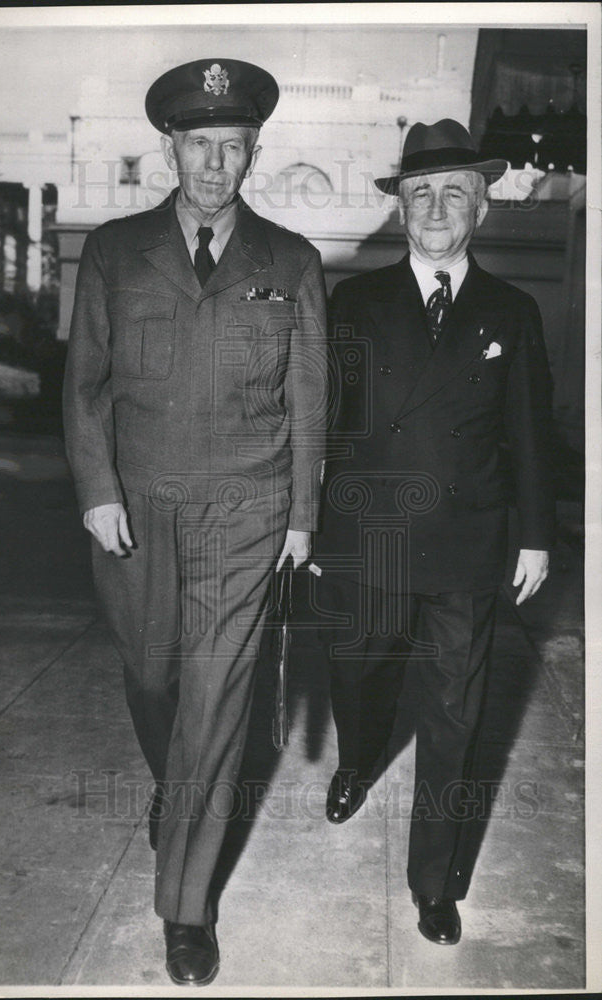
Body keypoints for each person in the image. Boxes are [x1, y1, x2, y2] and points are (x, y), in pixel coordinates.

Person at [63, 58, 327, 985]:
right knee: (154, 678)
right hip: (134, 509)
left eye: (233, 146)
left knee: (217, 704)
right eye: (199, 143)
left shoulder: (289, 260)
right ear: (170, 146)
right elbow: (84, 385)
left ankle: (186, 907)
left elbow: (309, 399)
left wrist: (299, 517)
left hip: (246, 510)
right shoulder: (113, 250)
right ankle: (176, 792)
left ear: (254, 151)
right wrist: (98, 490)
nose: (216, 163)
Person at [318, 119, 553, 946]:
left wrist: (534, 535)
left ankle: (433, 882)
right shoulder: (355, 298)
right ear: (401, 207)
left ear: (481, 206)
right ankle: (356, 757)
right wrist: (312, 528)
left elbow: (528, 431)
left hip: (467, 540)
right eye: (421, 192)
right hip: (370, 535)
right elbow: (326, 423)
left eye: (454, 190)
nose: (436, 206)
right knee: (358, 674)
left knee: (455, 713)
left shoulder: (511, 310)